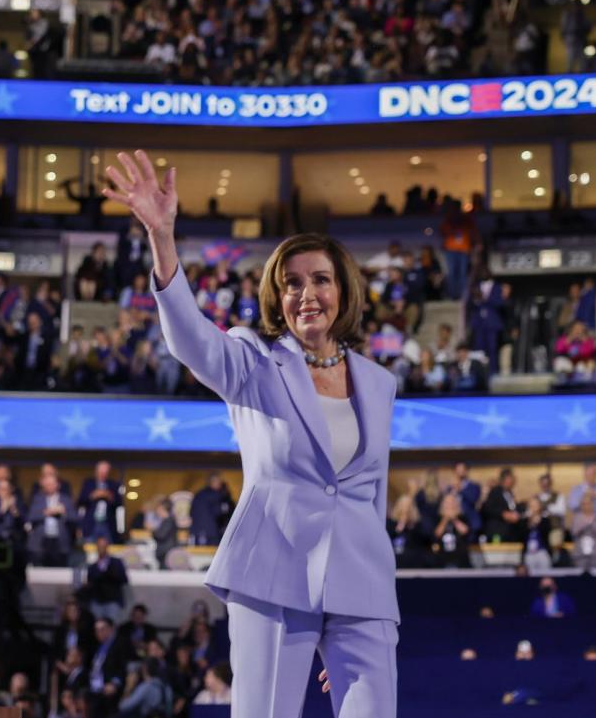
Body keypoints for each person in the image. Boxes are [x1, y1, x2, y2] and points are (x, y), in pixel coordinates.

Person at [105, 150, 398, 717]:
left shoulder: (378, 383)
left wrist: (354, 596)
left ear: (343, 292)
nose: (306, 294)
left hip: (362, 585)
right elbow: (190, 339)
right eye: (291, 283)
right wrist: (163, 238)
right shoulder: (254, 361)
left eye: (320, 280)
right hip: (272, 574)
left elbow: (371, 496)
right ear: (277, 296)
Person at [78, 461, 122, 543]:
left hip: (107, 524)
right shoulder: (88, 483)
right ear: (96, 471)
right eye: (101, 472)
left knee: (108, 550)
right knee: (89, 549)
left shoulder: (113, 485)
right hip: (91, 523)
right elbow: (80, 501)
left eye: (105, 472)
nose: (103, 474)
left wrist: (110, 497)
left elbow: (119, 503)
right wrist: (92, 496)